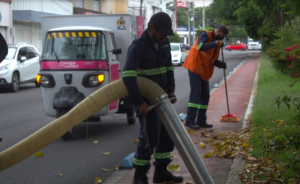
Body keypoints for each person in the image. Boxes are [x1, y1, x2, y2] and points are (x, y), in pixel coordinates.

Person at [122, 12, 183, 184]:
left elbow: (169, 68)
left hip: (162, 97)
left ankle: (161, 172)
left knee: (167, 135)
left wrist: (171, 90)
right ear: (151, 29)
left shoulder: (164, 43)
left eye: (166, 34)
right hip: (146, 101)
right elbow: (128, 76)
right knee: (150, 137)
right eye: (161, 33)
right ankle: (139, 176)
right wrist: (139, 103)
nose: (164, 37)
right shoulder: (138, 47)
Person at [182, 26, 229, 130]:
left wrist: (220, 64)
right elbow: (200, 46)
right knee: (196, 93)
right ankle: (190, 121)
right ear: (218, 31)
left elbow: (212, 60)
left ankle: (201, 120)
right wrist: (215, 44)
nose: (221, 38)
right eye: (222, 35)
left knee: (205, 95)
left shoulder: (216, 45)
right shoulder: (205, 34)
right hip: (194, 66)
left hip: (203, 70)